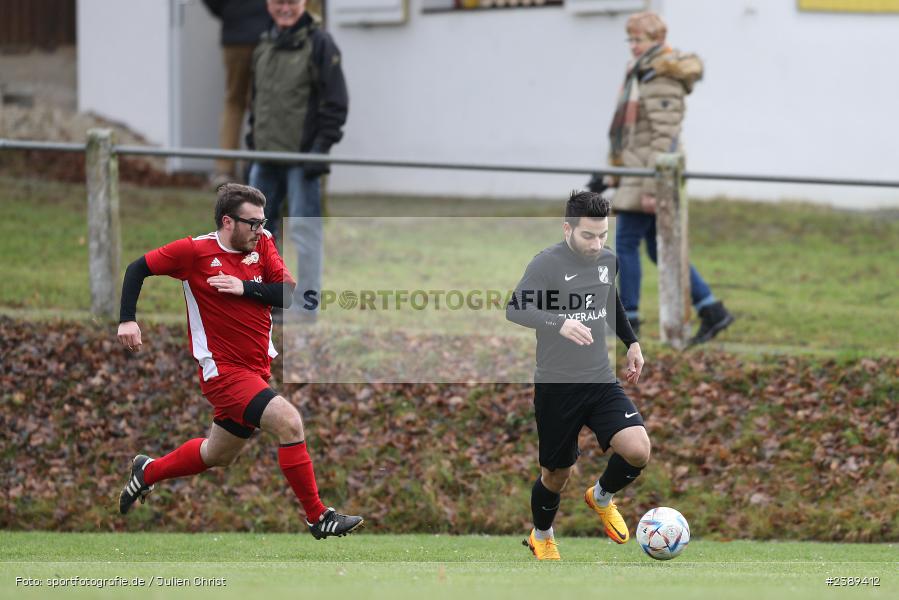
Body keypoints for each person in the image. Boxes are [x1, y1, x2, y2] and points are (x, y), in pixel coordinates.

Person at [115, 183, 363, 540]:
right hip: (223, 373)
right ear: (228, 221)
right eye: (253, 223)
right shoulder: (193, 251)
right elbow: (137, 268)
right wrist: (127, 319)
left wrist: (243, 287)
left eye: (263, 222)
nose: (260, 230)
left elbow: (286, 295)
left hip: (255, 371)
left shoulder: (262, 244)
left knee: (216, 454)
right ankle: (318, 517)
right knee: (289, 423)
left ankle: (147, 472)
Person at [507, 191, 649, 561]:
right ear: (567, 229)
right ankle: (541, 535)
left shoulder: (607, 260)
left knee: (638, 449)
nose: (596, 244)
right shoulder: (546, 263)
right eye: (588, 235)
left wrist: (632, 342)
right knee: (557, 475)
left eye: (603, 235)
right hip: (557, 386)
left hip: (599, 380)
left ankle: (601, 497)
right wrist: (559, 322)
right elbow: (515, 307)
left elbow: (609, 301)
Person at [605, 10, 734, 345]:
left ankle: (628, 318)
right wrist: (614, 171)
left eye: (639, 39)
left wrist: (653, 188)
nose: (633, 45)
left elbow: (664, 137)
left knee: (626, 243)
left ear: (658, 40)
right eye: (630, 39)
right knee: (657, 249)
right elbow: (632, 133)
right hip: (638, 171)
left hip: (648, 175)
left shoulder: (660, 77)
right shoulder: (643, 73)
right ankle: (711, 309)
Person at [247, 0, 348, 321]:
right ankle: (270, 301)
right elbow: (256, 100)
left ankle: (307, 308)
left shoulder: (321, 44)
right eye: (279, 2)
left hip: (302, 159)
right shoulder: (263, 44)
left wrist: (320, 148)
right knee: (258, 233)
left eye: (292, 2)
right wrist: (252, 142)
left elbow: (336, 102)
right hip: (264, 157)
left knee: (305, 232)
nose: (285, 8)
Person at [201, 0, 271, 187]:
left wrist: (228, 10)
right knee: (262, 103)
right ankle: (254, 167)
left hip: (236, 34)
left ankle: (225, 169)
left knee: (234, 102)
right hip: (266, 33)